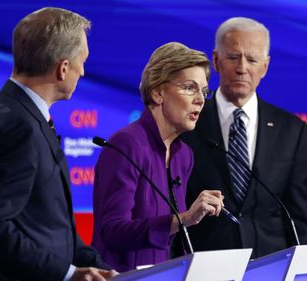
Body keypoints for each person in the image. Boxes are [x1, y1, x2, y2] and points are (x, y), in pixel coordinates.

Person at [0, 7, 116, 281]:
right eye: (82, 61)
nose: (83, 71)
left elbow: (52, 227)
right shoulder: (16, 125)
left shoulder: (16, 113)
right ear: (63, 68)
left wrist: (97, 266)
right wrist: (67, 274)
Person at [180, 17, 307, 258]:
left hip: (270, 264)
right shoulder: (188, 123)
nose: (242, 68)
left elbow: (301, 215)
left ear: (265, 67)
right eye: (233, 57)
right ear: (216, 60)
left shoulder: (292, 130)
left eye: (252, 59)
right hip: (205, 264)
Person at [91, 42, 225, 272]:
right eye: (190, 88)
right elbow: (112, 232)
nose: (201, 100)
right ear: (158, 92)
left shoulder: (183, 155)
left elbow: (173, 240)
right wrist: (184, 218)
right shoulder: (127, 144)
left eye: (203, 91)